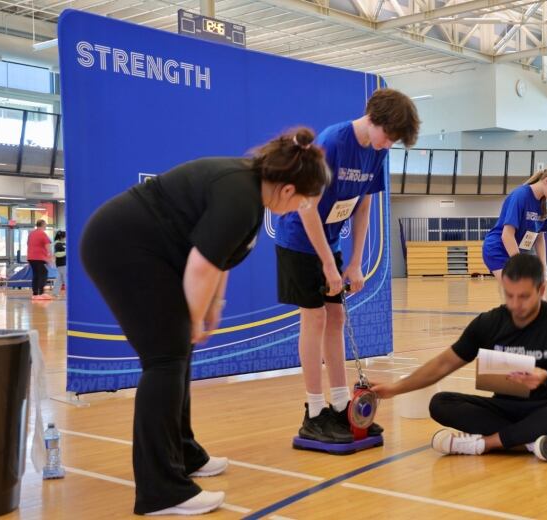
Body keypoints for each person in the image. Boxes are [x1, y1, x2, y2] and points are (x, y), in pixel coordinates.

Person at [80, 128, 330, 516]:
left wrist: (214, 307)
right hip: (119, 246)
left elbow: (221, 257)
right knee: (165, 358)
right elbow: (200, 266)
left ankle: (184, 452)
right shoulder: (241, 194)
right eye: (303, 201)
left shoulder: (252, 193)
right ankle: (162, 491)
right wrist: (193, 320)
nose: (301, 208)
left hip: (150, 252)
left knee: (176, 353)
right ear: (287, 190)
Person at [275, 89, 419, 444]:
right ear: (373, 121)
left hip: (330, 243)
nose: (388, 145)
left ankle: (340, 405)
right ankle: (313, 410)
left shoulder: (377, 151)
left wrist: (354, 263)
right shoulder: (333, 142)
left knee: (336, 318)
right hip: (299, 241)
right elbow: (307, 208)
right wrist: (327, 264)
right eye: (389, 136)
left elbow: (364, 206)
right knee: (316, 318)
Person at [372, 254, 547, 462]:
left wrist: (546, 377)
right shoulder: (489, 323)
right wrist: (394, 389)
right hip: (503, 408)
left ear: (541, 289)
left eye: (524, 297)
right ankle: (530, 440)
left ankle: (489, 443)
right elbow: (443, 364)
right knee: (441, 403)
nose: (515, 305)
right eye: (509, 295)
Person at [483, 163, 547, 281]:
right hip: (498, 249)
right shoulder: (520, 195)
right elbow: (507, 235)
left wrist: (544, 269)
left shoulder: (546, 204)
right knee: (520, 291)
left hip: (517, 251)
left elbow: (540, 238)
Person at [27, 219, 52, 300]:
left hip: (31, 258)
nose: (46, 226)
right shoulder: (42, 234)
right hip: (39, 257)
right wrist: (50, 257)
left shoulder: (31, 234)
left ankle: (35, 294)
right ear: (42, 225)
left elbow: (28, 244)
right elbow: (48, 246)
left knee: (36, 275)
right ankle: (41, 293)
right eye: (45, 224)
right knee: (44, 272)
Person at [52, 230, 67, 298]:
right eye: (64, 237)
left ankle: (55, 293)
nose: (65, 238)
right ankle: (70, 293)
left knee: (59, 279)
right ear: (61, 237)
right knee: (65, 278)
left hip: (64, 264)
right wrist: (67, 253)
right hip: (61, 264)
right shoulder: (57, 244)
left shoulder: (64, 243)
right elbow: (57, 254)